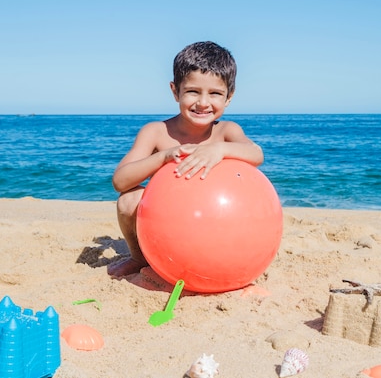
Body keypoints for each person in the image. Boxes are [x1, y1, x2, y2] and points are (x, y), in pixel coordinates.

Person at [107, 41, 264, 277]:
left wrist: (219, 150)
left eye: (215, 93)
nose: (203, 102)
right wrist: (163, 157)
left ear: (229, 97)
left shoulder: (226, 132)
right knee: (129, 200)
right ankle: (139, 258)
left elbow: (256, 154)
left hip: (217, 224)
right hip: (171, 224)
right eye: (192, 91)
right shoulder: (156, 132)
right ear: (175, 91)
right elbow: (120, 181)